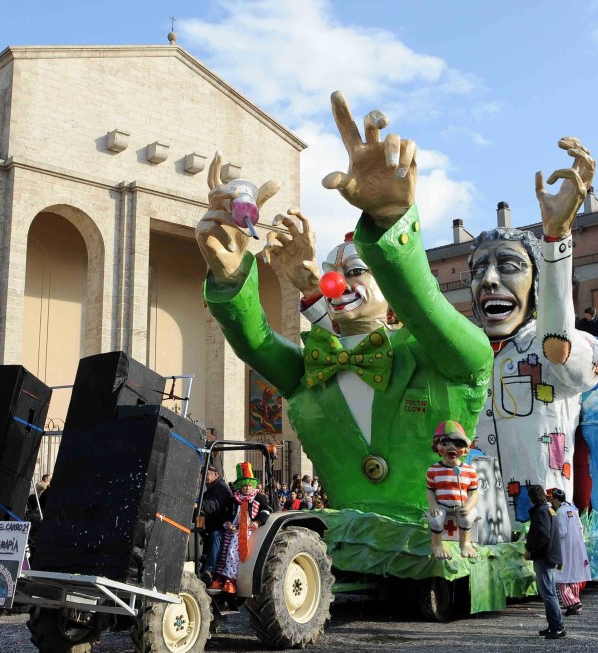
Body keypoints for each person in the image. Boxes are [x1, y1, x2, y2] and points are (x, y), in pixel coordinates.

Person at [198, 94, 492, 524]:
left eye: (355, 271)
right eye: (331, 272)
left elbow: (425, 308)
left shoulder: (443, 356)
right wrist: (232, 278)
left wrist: (390, 220)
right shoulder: (311, 372)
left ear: (389, 286)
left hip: (436, 542)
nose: (335, 282)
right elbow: (254, 342)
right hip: (338, 550)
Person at [467, 139, 598, 534]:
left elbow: (558, 345)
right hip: (481, 520)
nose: (489, 280)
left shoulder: (559, 347)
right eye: (478, 269)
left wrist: (556, 239)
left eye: (509, 266)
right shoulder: (465, 352)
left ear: (538, 282)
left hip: (545, 519)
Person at [210, 462, 270, 594]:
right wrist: (228, 525)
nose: (247, 488)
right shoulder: (234, 500)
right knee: (223, 547)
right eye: (244, 486)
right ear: (240, 486)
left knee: (233, 549)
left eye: (249, 485)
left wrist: (257, 521)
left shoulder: (259, 497)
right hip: (235, 529)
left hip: (250, 529)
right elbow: (226, 516)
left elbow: (266, 511)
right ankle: (219, 577)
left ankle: (231, 580)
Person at [426, 420, 479, 560]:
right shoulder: (433, 470)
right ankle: (436, 544)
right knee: (436, 519)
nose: (451, 447)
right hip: (442, 506)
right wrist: (434, 504)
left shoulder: (470, 471)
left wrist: (468, 506)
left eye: (458, 444)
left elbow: (474, 493)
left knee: (466, 518)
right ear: (436, 446)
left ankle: (465, 543)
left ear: (465, 448)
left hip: (461, 505)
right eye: (444, 443)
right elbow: (430, 490)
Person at [524, 485, 564, 639]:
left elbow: (543, 534)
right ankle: (554, 624)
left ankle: (557, 627)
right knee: (551, 592)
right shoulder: (550, 510)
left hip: (544, 556)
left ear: (531, 498)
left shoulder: (540, 511)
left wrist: (530, 548)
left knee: (547, 593)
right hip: (551, 554)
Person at [548, 488, 590, 616]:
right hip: (576, 549)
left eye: (552, 499)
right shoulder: (572, 510)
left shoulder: (561, 512)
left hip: (564, 550)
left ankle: (572, 602)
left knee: (560, 578)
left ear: (556, 499)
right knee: (574, 577)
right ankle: (576, 603)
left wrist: (551, 533)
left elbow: (561, 532)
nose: (551, 502)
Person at [198, 464, 232, 583]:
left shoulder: (221, 488)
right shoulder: (211, 488)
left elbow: (212, 506)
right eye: (202, 474)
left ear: (216, 474)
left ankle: (209, 570)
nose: (203, 477)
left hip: (223, 526)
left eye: (206, 474)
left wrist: (196, 505)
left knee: (216, 535)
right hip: (210, 524)